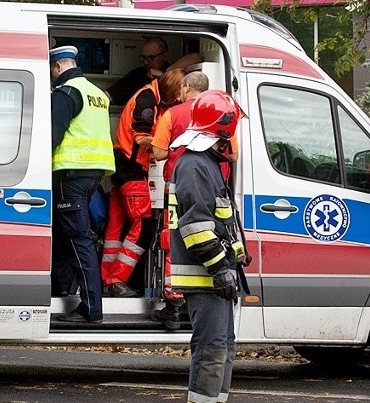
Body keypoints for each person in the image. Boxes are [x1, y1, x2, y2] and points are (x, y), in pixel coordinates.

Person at [168, 90, 252, 403]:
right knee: (210, 350)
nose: (232, 140)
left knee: (224, 348)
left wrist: (237, 255)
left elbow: (219, 223)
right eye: (230, 132)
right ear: (220, 129)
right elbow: (196, 226)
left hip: (217, 276)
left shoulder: (206, 164)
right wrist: (220, 268)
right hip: (205, 278)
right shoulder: (195, 166)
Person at [148, 72, 240, 328]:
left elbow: (158, 152)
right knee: (208, 235)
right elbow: (233, 156)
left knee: (173, 242)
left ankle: (174, 304)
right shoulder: (224, 113)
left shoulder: (172, 114)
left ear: (187, 88)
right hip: (216, 187)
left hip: (178, 189)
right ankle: (194, 305)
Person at [101, 67, 186, 297]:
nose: (180, 98)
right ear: (171, 88)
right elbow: (141, 138)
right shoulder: (147, 100)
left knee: (115, 228)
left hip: (122, 166)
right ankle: (116, 280)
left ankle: (106, 279)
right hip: (132, 169)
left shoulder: (153, 96)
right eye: (179, 92)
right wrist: (167, 146)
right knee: (143, 225)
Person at [49, 46, 116, 323]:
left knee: (78, 241)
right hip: (92, 176)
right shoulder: (96, 93)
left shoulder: (67, 93)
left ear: (57, 67)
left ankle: (91, 308)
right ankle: (60, 289)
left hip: (71, 175)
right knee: (69, 238)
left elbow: (51, 135)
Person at [107, 37, 203, 106]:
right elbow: (109, 96)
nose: (145, 62)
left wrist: (165, 74)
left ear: (165, 56)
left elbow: (197, 57)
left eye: (150, 58)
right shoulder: (137, 75)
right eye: (144, 58)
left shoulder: (175, 75)